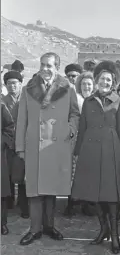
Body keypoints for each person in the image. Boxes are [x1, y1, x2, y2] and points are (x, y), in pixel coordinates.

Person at [16, 52, 80, 246]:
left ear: (57, 68)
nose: (45, 69)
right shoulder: (29, 89)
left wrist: (69, 130)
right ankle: (35, 229)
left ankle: (49, 226)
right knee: (34, 190)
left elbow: (75, 114)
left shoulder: (67, 88)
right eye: (42, 65)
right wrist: (20, 146)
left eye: (49, 66)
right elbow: (22, 119)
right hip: (34, 145)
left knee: (51, 189)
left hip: (56, 145)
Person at [71, 60, 120, 254]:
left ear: (114, 83)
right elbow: (82, 129)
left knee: (110, 196)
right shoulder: (88, 101)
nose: (105, 82)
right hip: (90, 151)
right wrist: (78, 153)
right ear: (97, 80)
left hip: (112, 152)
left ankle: (115, 235)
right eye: (102, 79)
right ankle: (103, 229)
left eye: (109, 80)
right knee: (94, 193)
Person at [64, 71, 95, 217]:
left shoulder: (96, 100)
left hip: (91, 140)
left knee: (89, 172)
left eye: (89, 84)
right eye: (83, 84)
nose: (86, 87)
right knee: (73, 172)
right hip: (76, 139)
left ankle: (87, 203)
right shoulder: (75, 99)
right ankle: (71, 203)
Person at [3, 70, 29, 219]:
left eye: (15, 83)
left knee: (22, 175)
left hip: (23, 143)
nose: (12, 86)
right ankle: (9, 202)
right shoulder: (2, 101)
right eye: (9, 83)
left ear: (20, 84)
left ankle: (24, 205)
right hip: (7, 144)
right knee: (8, 174)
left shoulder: (25, 101)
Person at [1, 102, 15, 235]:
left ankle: (2, 223)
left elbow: (10, 127)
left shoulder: (1, 107)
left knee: (1, 193)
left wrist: (2, 141)